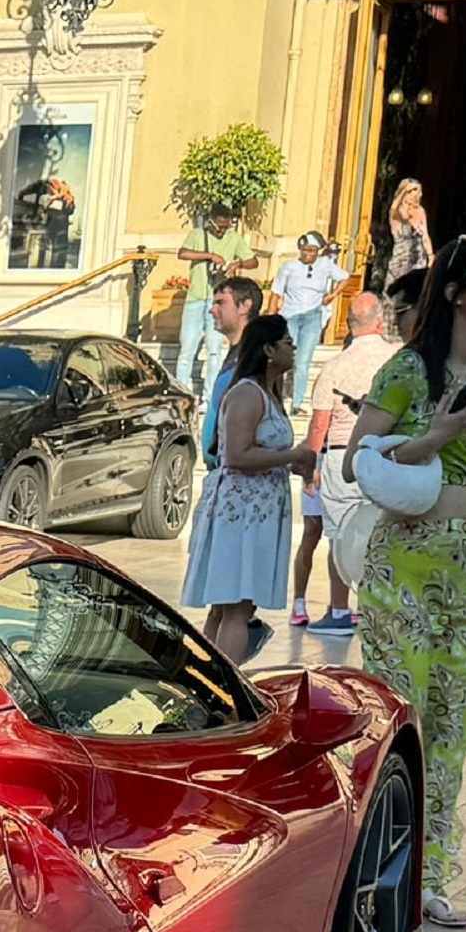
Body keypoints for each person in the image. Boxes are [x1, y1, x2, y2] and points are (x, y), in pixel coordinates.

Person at [342, 235, 466, 928]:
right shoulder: (408, 371)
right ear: (455, 291)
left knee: (454, 727)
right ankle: (383, 867)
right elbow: (362, 455)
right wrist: (434, 439)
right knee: (403, 724)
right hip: (406, 566)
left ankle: (431, 874)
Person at [183, 314, 311, 663]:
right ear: (268, 349)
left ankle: (211, 681)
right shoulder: (246, 393)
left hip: (260, 511)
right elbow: (236, 454)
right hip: (241, 514)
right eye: (287, 342)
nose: (293, 348)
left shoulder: (268, 393)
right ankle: (226, 688)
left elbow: (263, 451)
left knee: (233, 605)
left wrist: (291, 461)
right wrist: (290, 454)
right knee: (234, 606)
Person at [302, 291, 401, 633]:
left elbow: (319, 423)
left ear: (348, 324)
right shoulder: (397, 360)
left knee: (341, 535)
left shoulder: (334, 366)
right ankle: (380, 608)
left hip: (341, 453)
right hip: (388, 455)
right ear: (380, 320)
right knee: (383, 533)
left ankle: (340, 610)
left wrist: (310, 466)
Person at [174, 208, 257, 396]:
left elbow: (253, 261)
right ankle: (182, 393)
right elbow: (182, 253)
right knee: (187, 350)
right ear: (210, 222)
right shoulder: (197, 234)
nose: (222, 231)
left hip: (219, 301)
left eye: (225, 227)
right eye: (219, 227)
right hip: (195, 298)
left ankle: (210, 394)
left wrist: (238, 264)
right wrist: (209, 256)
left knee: (214, 351)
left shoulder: (234, 238)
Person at [274, 231, 348, 412]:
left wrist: (332, 296)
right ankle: (277, 397)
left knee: (303, 361)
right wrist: (271, 317)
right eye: (305, 250)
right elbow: (276, 293)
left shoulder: (325, 265)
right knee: (286, 358)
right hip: (291, 315)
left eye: (313, 250)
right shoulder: (289, 267)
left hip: (312, 317)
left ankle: (297, 402)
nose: (308, 254)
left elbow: (345, 277)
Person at [198, 276, 262, 465]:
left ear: (244, 306)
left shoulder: (254, 360)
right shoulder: (238, 353)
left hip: (236, 476)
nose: (212, 310)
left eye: (221, 303)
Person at [383, 180, 433, 291]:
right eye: (409, 192)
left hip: (419, 259)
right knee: (395, 293)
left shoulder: (420, 211)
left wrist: (430, 256)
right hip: (401, 258)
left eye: (416, 192)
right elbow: (403, 218)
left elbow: (425, 235)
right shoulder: (395, 210)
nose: (413, 195)